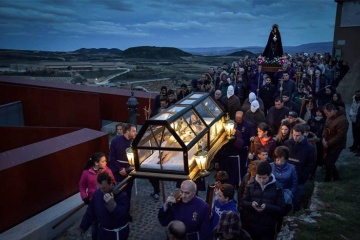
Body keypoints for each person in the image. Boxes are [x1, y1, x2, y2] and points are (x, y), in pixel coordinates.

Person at [79, 172, 131, 240]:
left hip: (118, 233)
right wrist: (83, 227)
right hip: (104, 232)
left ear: (111, 183)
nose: (102, 191)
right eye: (99, 188)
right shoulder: (97, 194)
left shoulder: (122, 195)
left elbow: (123, 215)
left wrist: (112, 204)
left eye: (104, 188)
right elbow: (90, 212)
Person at [242, 161, 285, 240]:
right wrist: (251, 205)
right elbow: (243, 202)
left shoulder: (277, 188)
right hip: (250, 225)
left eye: (264, 178)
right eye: (259, 177)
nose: (261, 180)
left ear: (269, 175)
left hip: (267, 228)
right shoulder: (250, 185)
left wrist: (267, 207)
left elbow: (281, 208)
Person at [79, 152, 116, 240]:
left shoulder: (107, 170)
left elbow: (113, 182)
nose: (105, 163)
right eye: (103, 161)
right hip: (93, 202)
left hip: (106, 201)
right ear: (96, 163)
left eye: (105, 161)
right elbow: (82, 186)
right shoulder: (86, 173)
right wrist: (84, 197)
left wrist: (112, 188)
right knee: (94, 225)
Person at [283, 124, 316, 211]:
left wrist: (303, 177)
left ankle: (295, 213)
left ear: (303, 134)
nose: (295, 137)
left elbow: (310, 165)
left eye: (297, 135)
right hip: (286, 176)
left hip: (299, 178)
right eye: (293, 134)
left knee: (297, 197)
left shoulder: (309, 148)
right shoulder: (287, 144)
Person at [271, 146, 298, 231]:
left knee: (281, 217)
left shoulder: (292, 168)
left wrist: (289, 195)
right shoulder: (270, 166)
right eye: (277, 159)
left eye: (282, 160)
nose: (279, 162)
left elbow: (294, 184)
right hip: (272, 195)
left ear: (286, 159)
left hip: (286, 196)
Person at [109, 124, 137, 202]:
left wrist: (128, 169)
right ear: (128, 131)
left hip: (130, 170)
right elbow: (112, 157)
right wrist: (120, 169)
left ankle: (126, 210)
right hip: (118, 172)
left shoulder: (135, 142)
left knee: (128, 192)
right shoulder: (115, 141)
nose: (135, 133)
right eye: (133, 131)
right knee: (119, 192)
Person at [322, 103, 349, 181]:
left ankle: (327, 179)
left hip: (337, 145)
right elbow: (325, 127)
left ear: (333, 111)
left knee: (329, 162)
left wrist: (328, 143)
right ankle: (337, 178)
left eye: (327, 113)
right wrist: (323, 138)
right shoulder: (330, 117)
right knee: (328, 161)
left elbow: (340, 136)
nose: (326, 115)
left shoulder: (343, 120)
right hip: (328, 142)